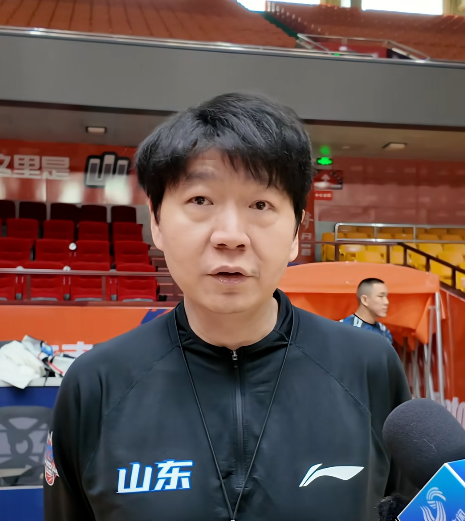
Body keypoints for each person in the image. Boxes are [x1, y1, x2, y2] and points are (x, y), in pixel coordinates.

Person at [44, 93, 412, 521]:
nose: (231, 236)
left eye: (261, 204)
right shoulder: (96, 383)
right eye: (200, 200)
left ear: (297, 232)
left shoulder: (368, 366)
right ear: (156, 222)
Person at [341, 278, 393, 343]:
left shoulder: (384, 331)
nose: (386, 302)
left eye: (386, 296)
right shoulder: (343, 329)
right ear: (364, 300)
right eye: (380, 296)